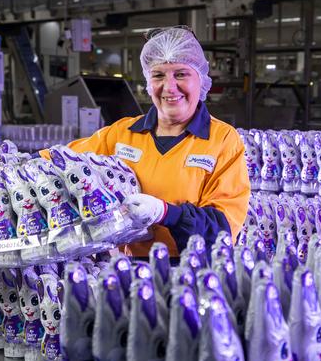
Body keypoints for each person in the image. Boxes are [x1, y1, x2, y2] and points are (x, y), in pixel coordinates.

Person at [51, 26, 250, 258]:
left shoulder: (222, 140)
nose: (169, 86)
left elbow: (223, 226)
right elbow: (64, 159)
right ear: (148, 81)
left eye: (181, 74)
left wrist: (166, 213)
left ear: (201, 79)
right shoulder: (123, 132)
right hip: (126, 269)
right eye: (158, 75)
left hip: (189, 272)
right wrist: (16, 162)